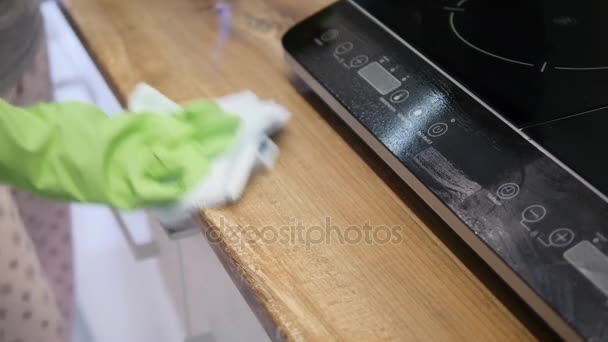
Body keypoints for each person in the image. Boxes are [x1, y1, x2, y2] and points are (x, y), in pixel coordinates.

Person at [0, 1, 240, 341]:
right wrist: (94, 152)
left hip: (20, 55)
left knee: (50, 262)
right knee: (34, 327)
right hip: (14, 135)